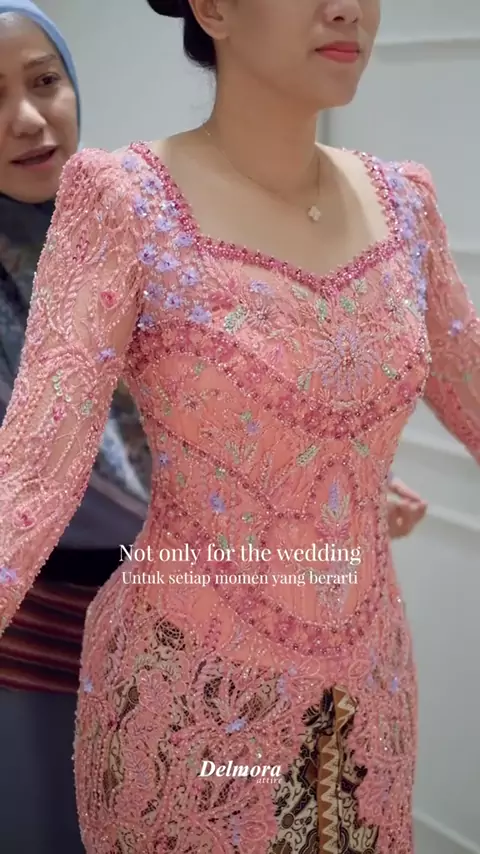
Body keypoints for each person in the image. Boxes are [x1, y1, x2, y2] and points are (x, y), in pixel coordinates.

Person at [2, 0, 476, 851]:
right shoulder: (123, 200)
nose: (347, 7)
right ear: (214, 7)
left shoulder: (406, 203)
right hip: (190, 695)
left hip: (367, 698)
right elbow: (27, 483)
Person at [0, 3, 149, 851]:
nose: (27, 118)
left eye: (44, 81)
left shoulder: (145, 229)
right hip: (30, 637)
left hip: (173, 624)